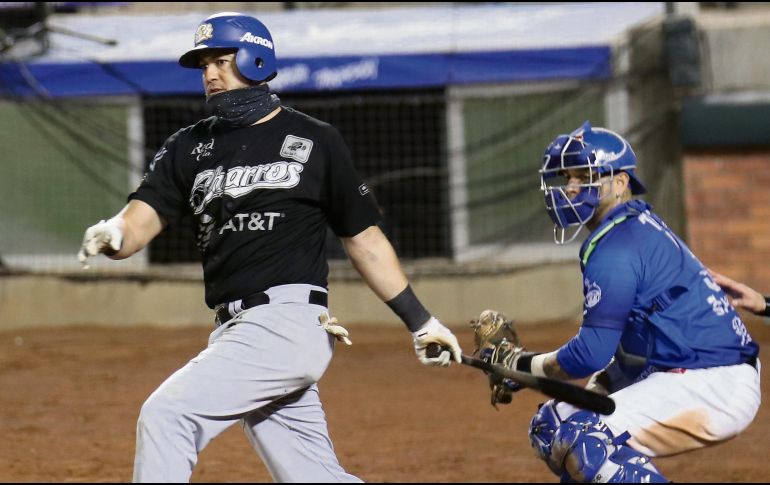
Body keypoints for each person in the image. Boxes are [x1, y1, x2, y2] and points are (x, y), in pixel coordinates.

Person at [77, 12, 462, 483]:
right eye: (203, 65)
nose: (210, 75)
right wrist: (114, 232)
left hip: (285, 324)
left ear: (257, 60)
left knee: (167, 415)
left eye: (221, 60)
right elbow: (142, 218)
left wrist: (421, 322)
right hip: (236, 329)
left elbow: (364, 241)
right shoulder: (188, 146)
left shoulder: (315, 140)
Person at [477, 121, 761, 483]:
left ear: (621, 182)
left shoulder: (617, 245)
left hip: (713, 380)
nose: (572, 188)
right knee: (553, 424)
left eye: (586, 176)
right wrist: (595, 387)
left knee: (583, 437)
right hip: (690, 368)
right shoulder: (632, 226)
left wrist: (521, 364)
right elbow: (633, 346)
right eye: (569, 177)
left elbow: (589, 354)